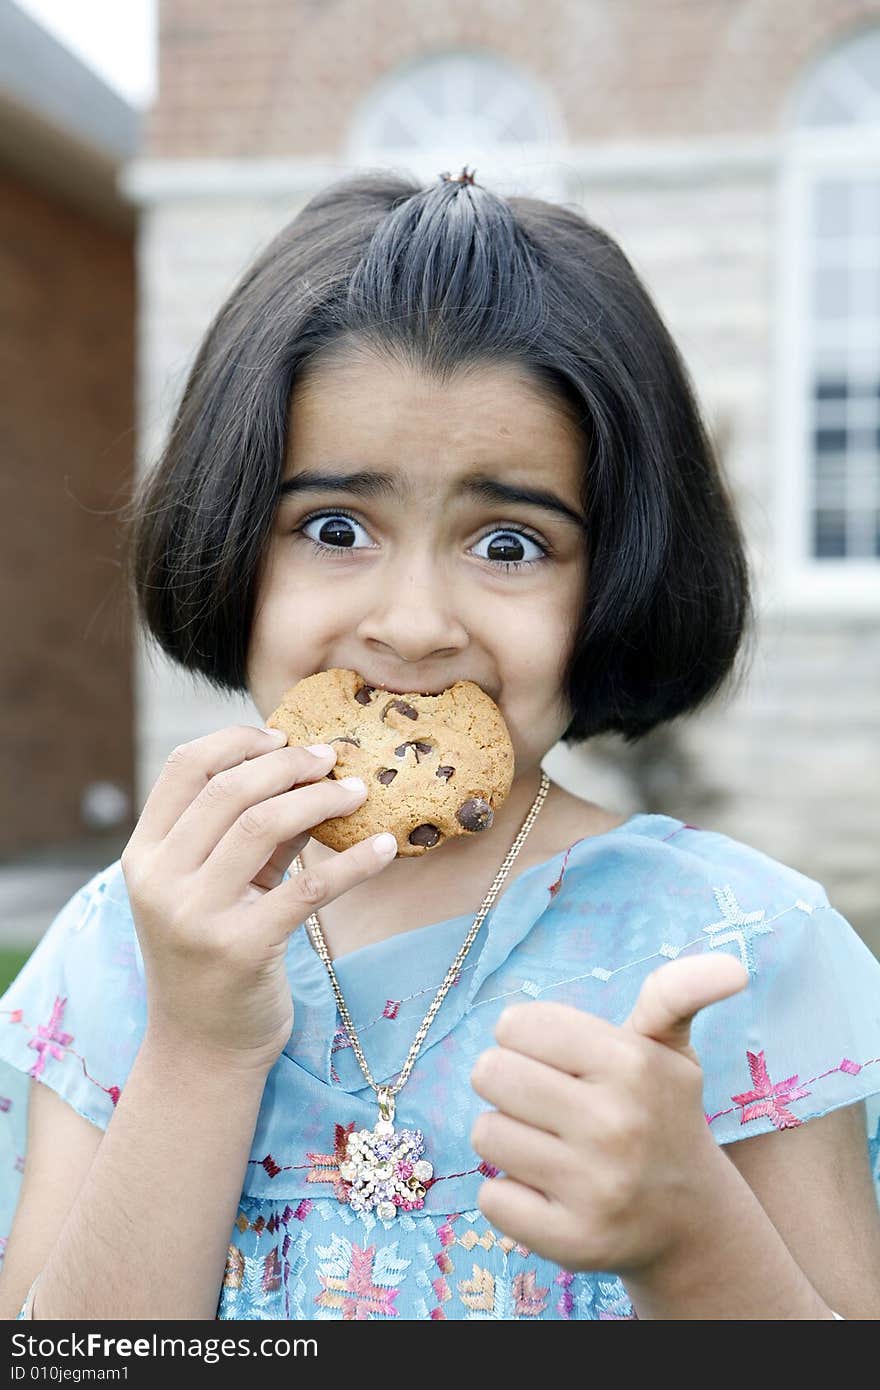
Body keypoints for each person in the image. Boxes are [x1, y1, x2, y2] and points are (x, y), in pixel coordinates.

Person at [0, 168, 878, 1322]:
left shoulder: (738, 957)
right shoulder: (123, 944)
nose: (413, 623)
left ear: (614, 577)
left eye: (508, 542)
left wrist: (691, 1237)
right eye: (333, 526)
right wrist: (198, 1044)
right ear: (230, 542)